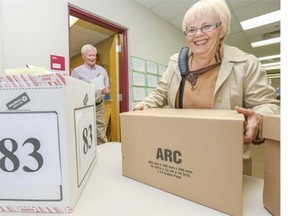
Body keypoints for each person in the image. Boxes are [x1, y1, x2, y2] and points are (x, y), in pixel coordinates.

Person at [134, 0, 280, 175]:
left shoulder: (246, 63)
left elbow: (269, 105)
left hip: (225, 159)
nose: (198, 34)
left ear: (222, 29)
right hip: (179, 152)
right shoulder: (175, 63)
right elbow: (160, 93)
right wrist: (144, 105)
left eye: (206, 26)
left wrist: (259, 116)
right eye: (191, 29)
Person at [71, 44, 110, 144]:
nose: (93, 58)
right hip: (84, 106)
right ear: (83, 56)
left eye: (94, 55)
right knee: (85, 130)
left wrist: (107, 90)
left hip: (99, 106)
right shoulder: (77, 71)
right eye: (90, 55)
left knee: (100, 131)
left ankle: (104, 153)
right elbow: (72, 90)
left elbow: (107, 87)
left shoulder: (102, 70)